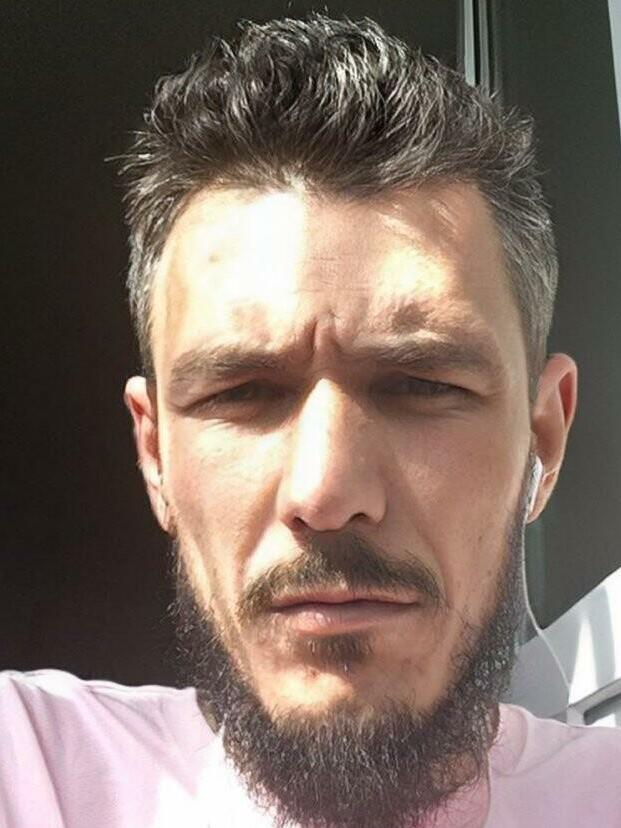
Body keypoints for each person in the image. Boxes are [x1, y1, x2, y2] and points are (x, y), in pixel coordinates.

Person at [1, 13, 619, 828]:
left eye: (421, 383)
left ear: (542, 437)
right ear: (155, 456)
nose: (325, 493)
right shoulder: (30, 766)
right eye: (239, 392)